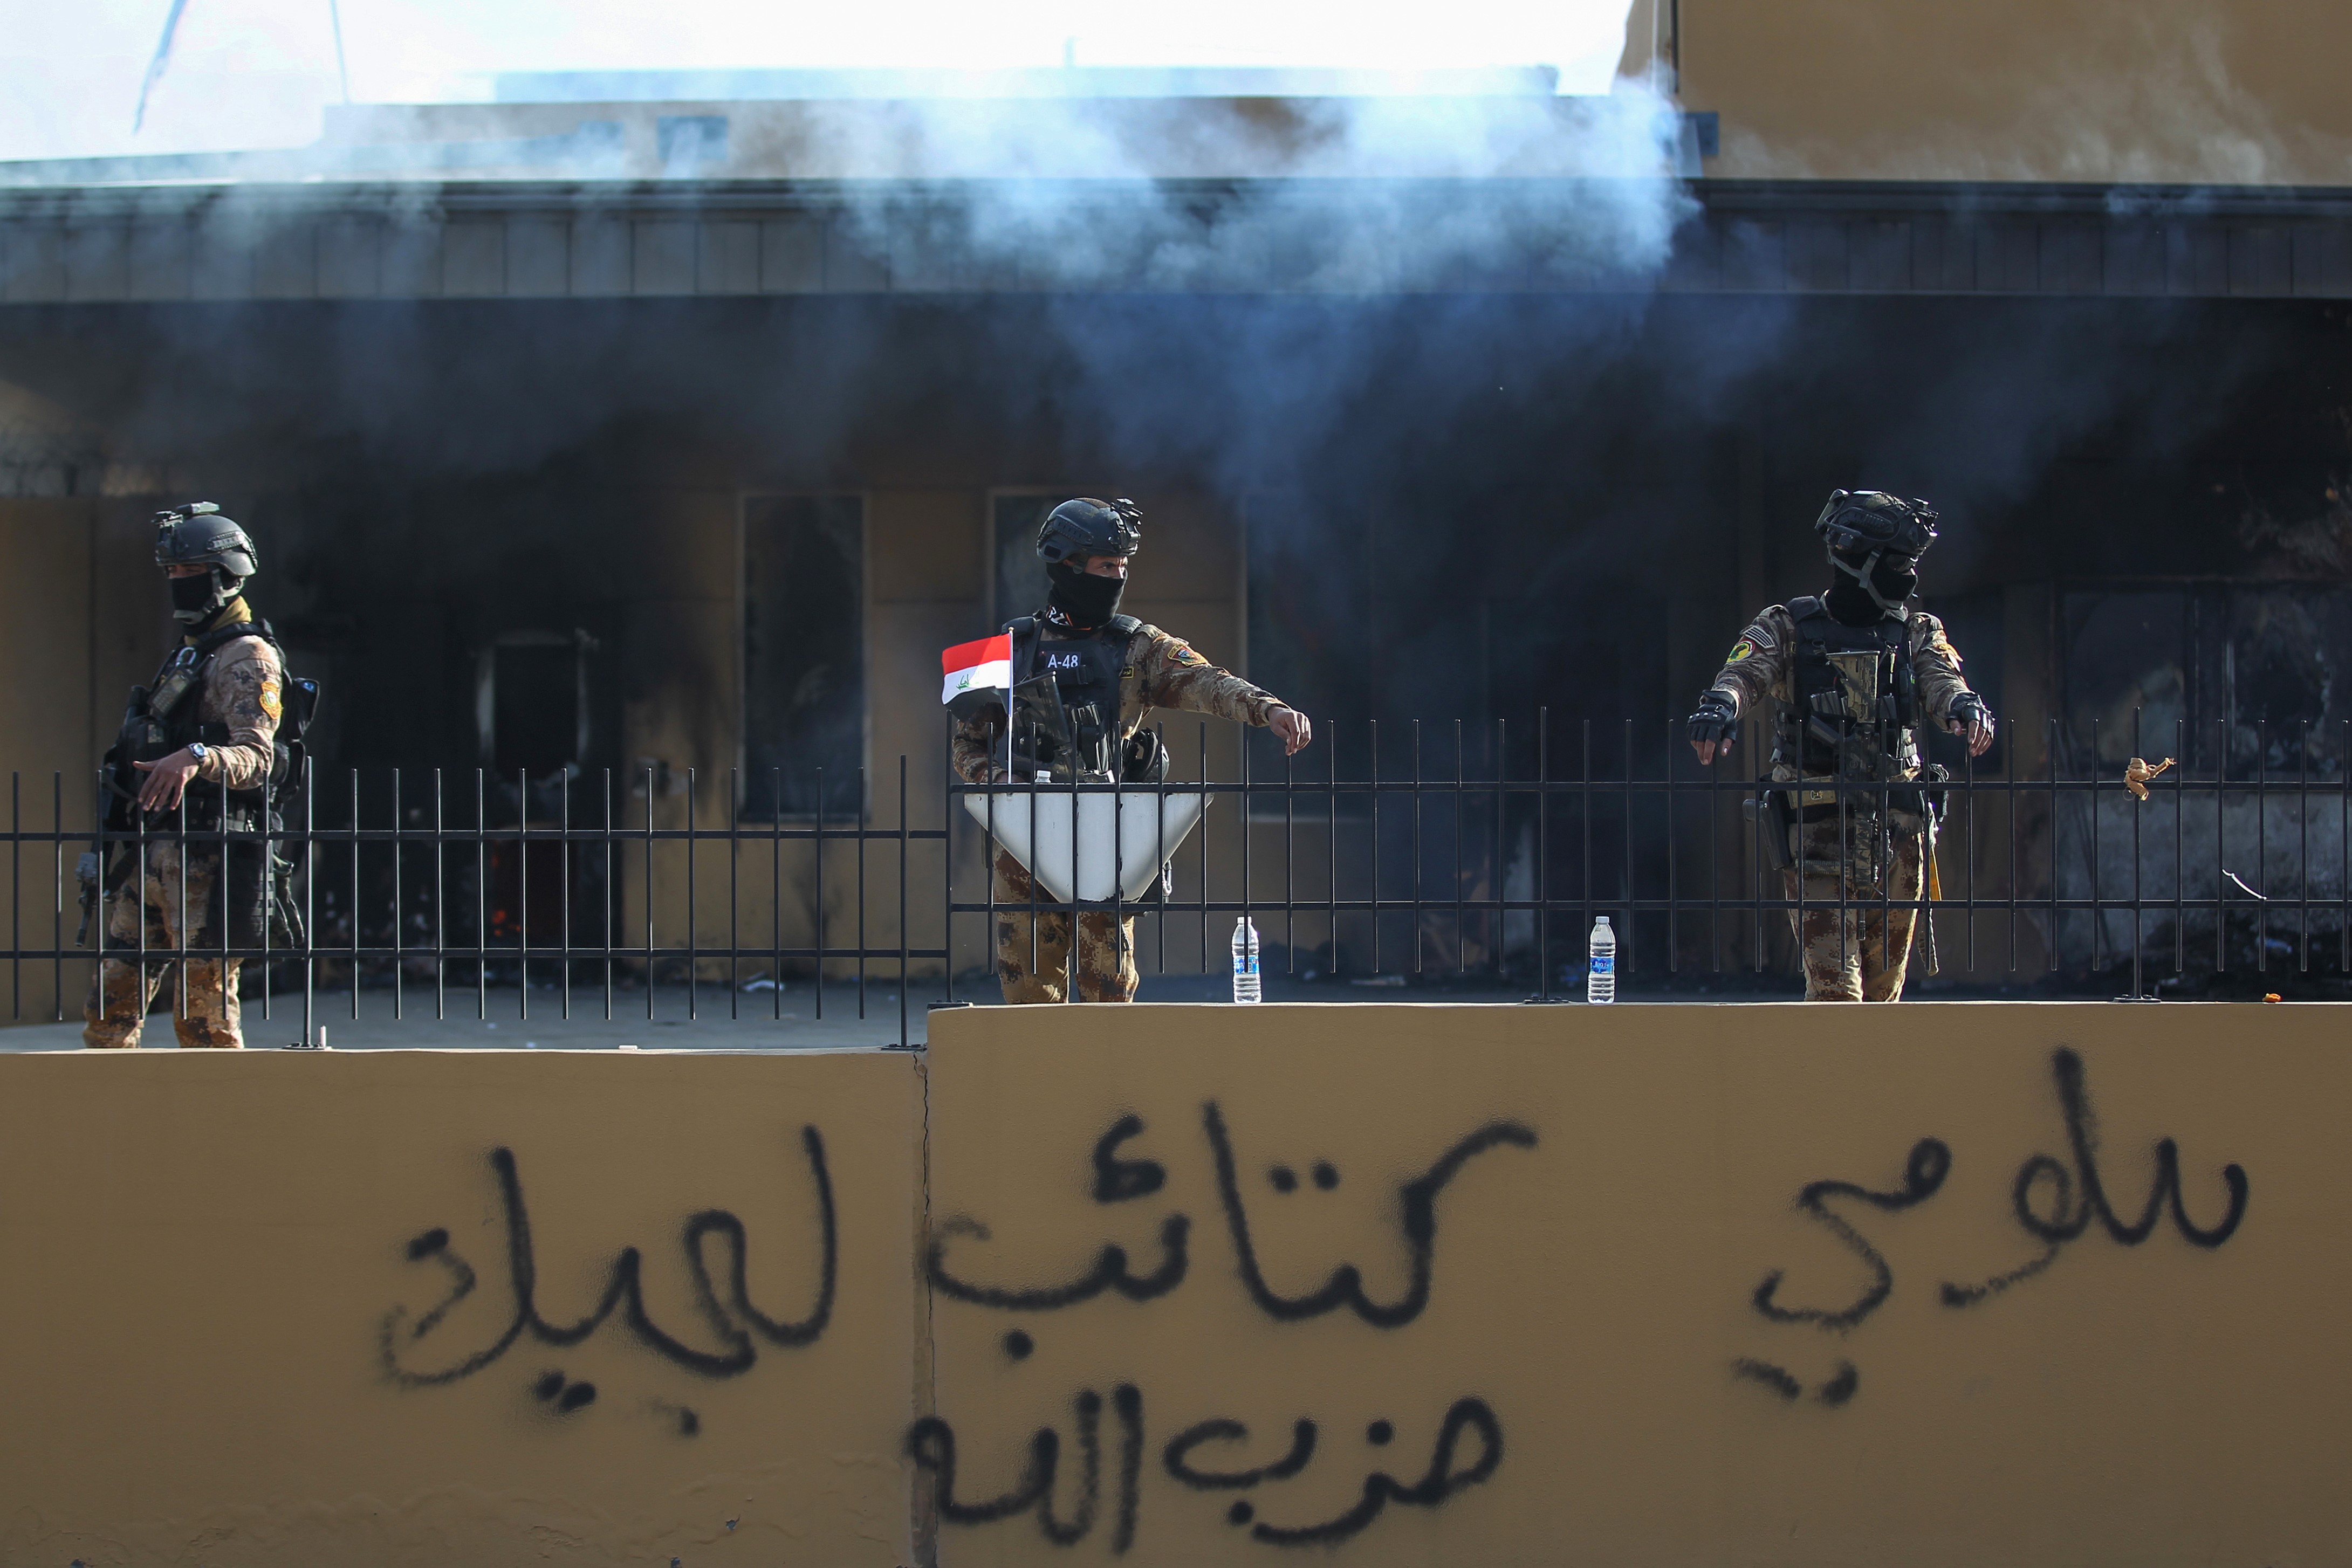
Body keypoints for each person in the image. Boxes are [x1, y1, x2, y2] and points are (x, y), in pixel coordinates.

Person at [951, 498, 1312, 1003]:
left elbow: (1205, 681)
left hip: (1105, 836)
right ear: (1067, 565)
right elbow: (968, 744)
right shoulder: (1009, 650)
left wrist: (1267, 709)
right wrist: (997, 782)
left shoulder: (1136, 646)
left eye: (1122, 567)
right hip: (1023, 842)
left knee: (1109, 992)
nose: (1117, 578)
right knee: (1028, 998)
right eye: (1105, 566)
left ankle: (1105, 1085)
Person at [1685, 490, 1995, 1001]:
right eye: (1898, 563)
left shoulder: (1916, 632)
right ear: (1860, 562)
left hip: (1899, 834)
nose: (1908, 575)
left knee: (1882, 995)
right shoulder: (1788, 626)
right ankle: (1832, 1082)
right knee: (1834, 996)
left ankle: (1869, 1084)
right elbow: (1744, 672)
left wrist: (1963, 708)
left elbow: (1942, 680)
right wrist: (1720, 706)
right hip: (1817, 833)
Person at [83, 504, 286, 1048]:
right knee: (110, 1012)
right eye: (172, 573)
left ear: (223, 576)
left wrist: (198, 755)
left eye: (188, 573)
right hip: (152, 852)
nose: (177, 584)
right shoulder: (191, 654)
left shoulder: (247, 656)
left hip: (206, 856)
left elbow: (257, 759)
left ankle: (218, 1130)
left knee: (204, 1022)